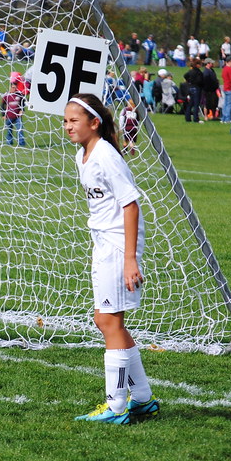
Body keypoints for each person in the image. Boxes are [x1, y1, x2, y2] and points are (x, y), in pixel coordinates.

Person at [62, 93, 159, 424]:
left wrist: (130, 259)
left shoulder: (105, 155)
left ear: (94, 123)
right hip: (103, 243)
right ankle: (142, 399)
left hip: (118, 246)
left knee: (109, 321)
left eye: (74, 120)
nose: (67, 126)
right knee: (105, 320)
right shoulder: (83, 155)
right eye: (65, 120)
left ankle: (117, 406)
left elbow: (130, 204)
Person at [0, 79, 26, 146]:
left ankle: (21, 143)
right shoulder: (6, 95)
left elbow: (23, 103)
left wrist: (22, 110)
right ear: (10, 87)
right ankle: (9, 142)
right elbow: (3, 105)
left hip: (18, 116)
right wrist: (3, 114)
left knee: (20, 130)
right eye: (13, 87)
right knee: (9, 131)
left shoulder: (19, 95)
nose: (14, 89)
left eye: (15, 87)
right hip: (9, 116)